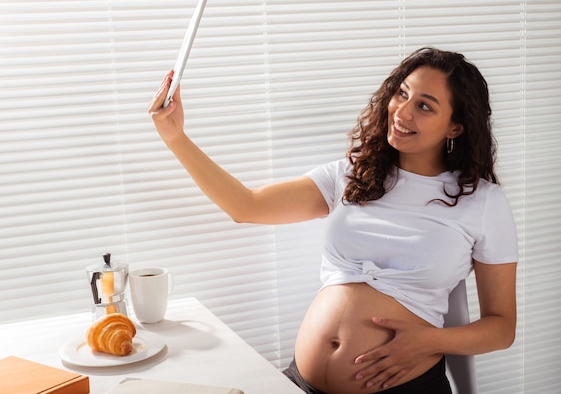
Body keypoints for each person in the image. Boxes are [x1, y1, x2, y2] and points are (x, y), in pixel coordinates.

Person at [148, 47, 518, 393]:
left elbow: (501, 327)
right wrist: (175, 137)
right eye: (402, 94)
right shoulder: (352, 174)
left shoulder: (482, 202)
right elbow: (245, 206)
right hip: (300, 382)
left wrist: (430, 340)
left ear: (456, 127)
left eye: (425, 106)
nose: (403, 112)